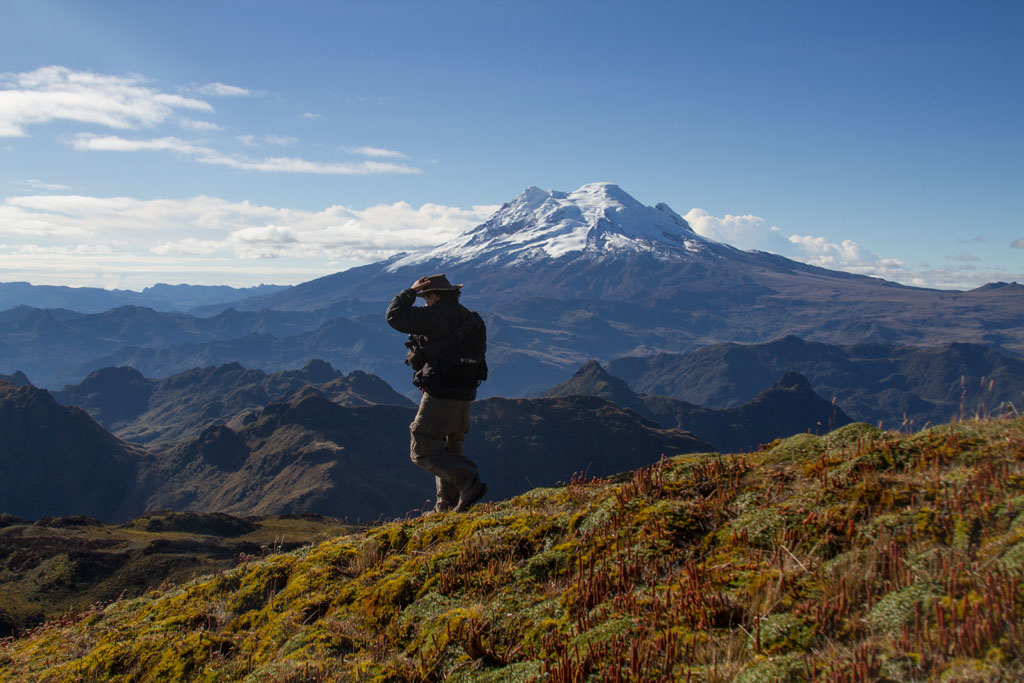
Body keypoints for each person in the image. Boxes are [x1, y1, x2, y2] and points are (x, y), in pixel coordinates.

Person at [386, 274, 488, 513]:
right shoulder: (472, 319)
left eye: (425, 298)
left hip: (440, 395)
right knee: (448, 450)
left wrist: (409, 291)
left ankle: (468, 480)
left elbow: (394, 316)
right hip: (466, 395)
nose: (424, 303)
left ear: (435, 296)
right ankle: (446, 505)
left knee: (421, 450)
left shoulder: (434, 316)